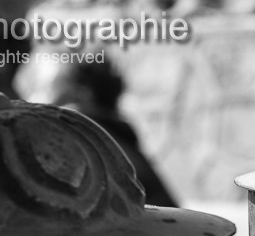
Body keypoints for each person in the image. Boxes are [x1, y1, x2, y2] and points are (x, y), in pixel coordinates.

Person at [47, 60, 179, 209]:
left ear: (83, 94)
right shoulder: (117, 136)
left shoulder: (80, 135)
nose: (50, 101)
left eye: (57, 92)